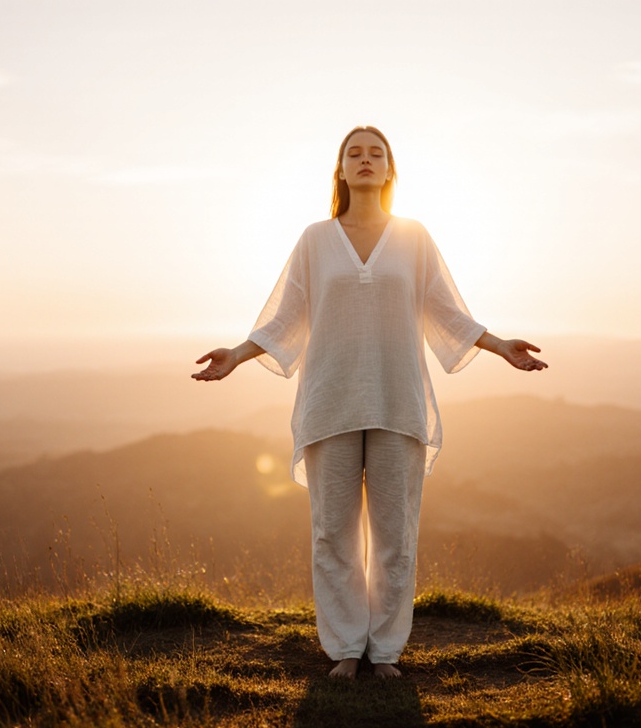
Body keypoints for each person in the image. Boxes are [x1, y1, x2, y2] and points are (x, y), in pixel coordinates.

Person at [192, 126, 547, 679]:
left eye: (375, 154)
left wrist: (500, 346)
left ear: (389, 170)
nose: (364, 160)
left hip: (397, 399)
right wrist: (237, 354)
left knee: (394, 535)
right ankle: (344, 649)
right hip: (330, 399)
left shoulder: (413, 238)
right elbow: (287, 317)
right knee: (332, 532)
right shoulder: (315, 239)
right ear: (340, 170)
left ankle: (384, 652)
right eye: (353, 154)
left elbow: (446, 312)